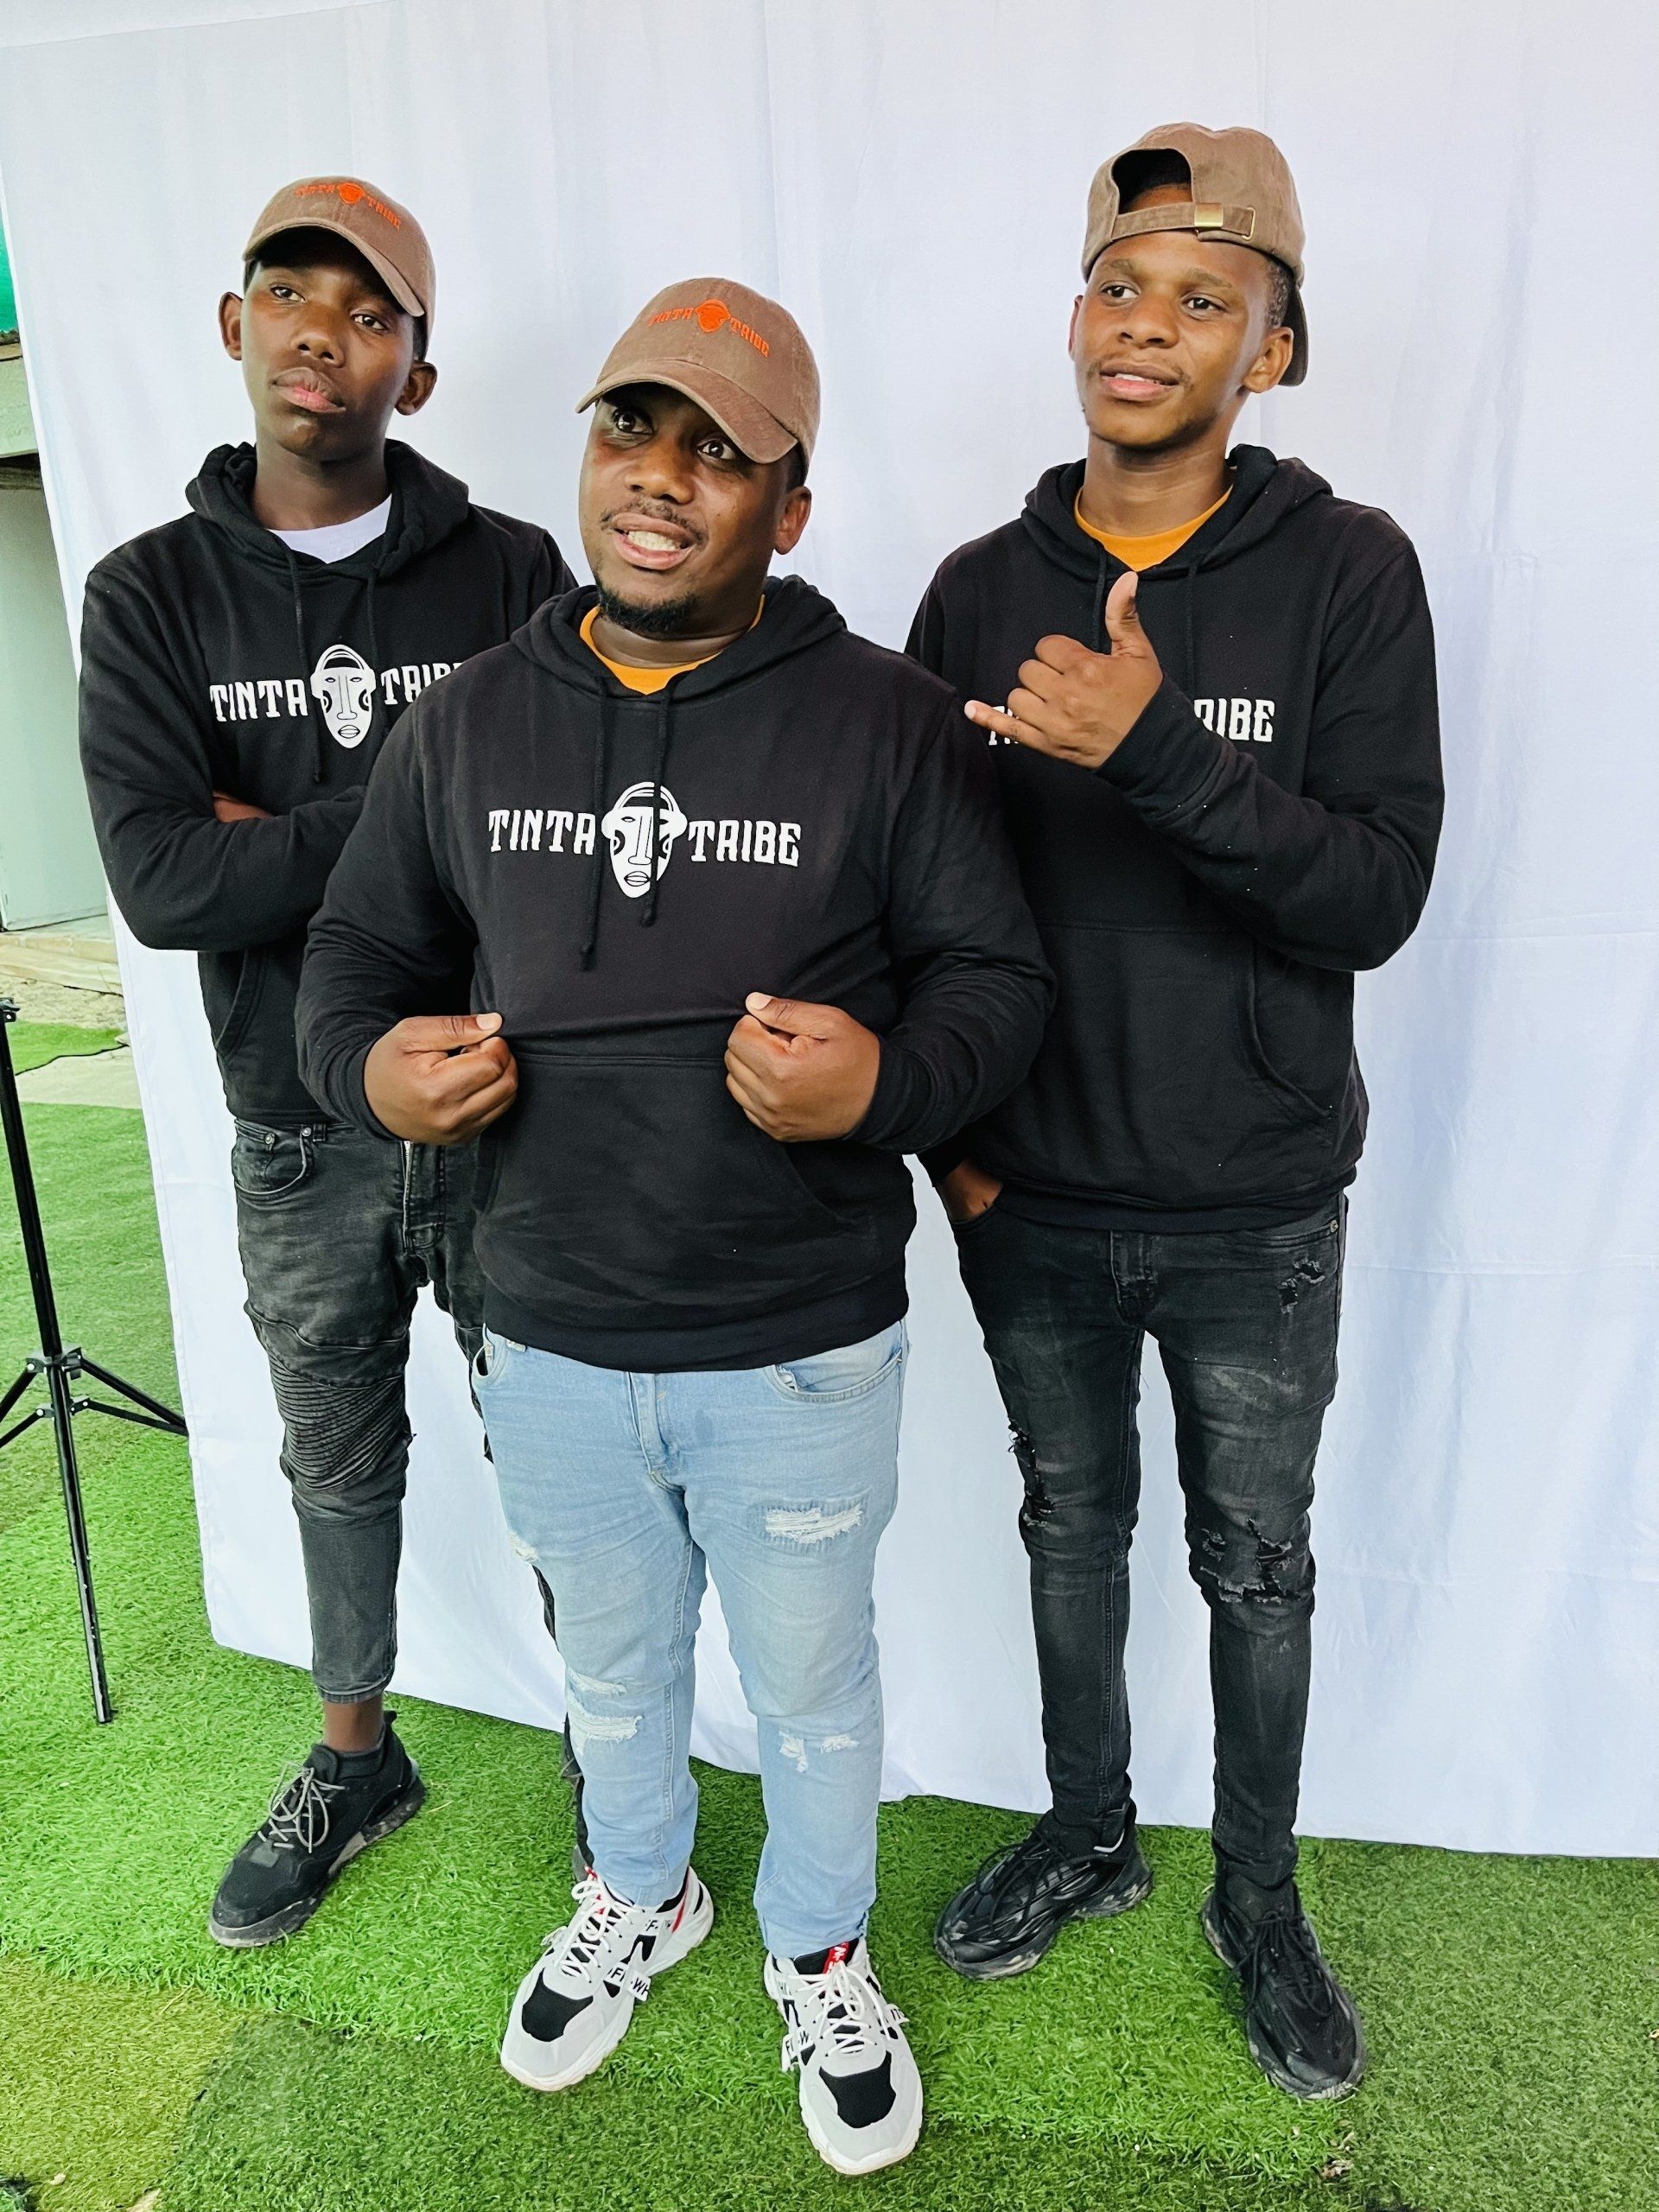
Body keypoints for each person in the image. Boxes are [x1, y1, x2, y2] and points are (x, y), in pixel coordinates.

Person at [296, 277, 1052, 2173]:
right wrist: (375, 1072)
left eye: (725, 449)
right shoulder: (470, 721)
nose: (664, 475)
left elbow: (998, 986)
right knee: (614, 1672)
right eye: (638, 425)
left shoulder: (885, 721)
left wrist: (880, 1083)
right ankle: (643, 1887)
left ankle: (817, 1937)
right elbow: (351, 963)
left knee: (810, 1681)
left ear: (791, 507)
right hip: (541, 1329)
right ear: (589, 450)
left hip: (794, 1342)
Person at [909, 124, 1444, 2100]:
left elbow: (1374, 894)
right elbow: (911, 896)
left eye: (1206, 297)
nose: (1150, 325)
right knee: (1068, 1521)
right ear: (1075, 318)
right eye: (1123, 286)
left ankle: (1261, 1893)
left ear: (1272, 351)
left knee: (1255, 1562)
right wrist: (950, 1152)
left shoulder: (1346, 573)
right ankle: (1089, 1828)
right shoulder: (978, 587)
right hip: (1025, 1194)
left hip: (1254, 1200)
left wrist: (1150, 752)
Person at [77, 176, 575, 1949]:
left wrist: (274, 830)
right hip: (297, 1119)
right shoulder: (148, 597)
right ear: (234, 327)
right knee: (334, 1451)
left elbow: (561, 830)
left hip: (508, 1102)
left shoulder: (518, 570)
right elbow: (161, 882)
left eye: (369, 314)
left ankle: (619, 1755)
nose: (321, 334)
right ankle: (356, 1750)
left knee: (564, 1450)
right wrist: (415, 813)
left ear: (416, 374)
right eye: (290, 294)